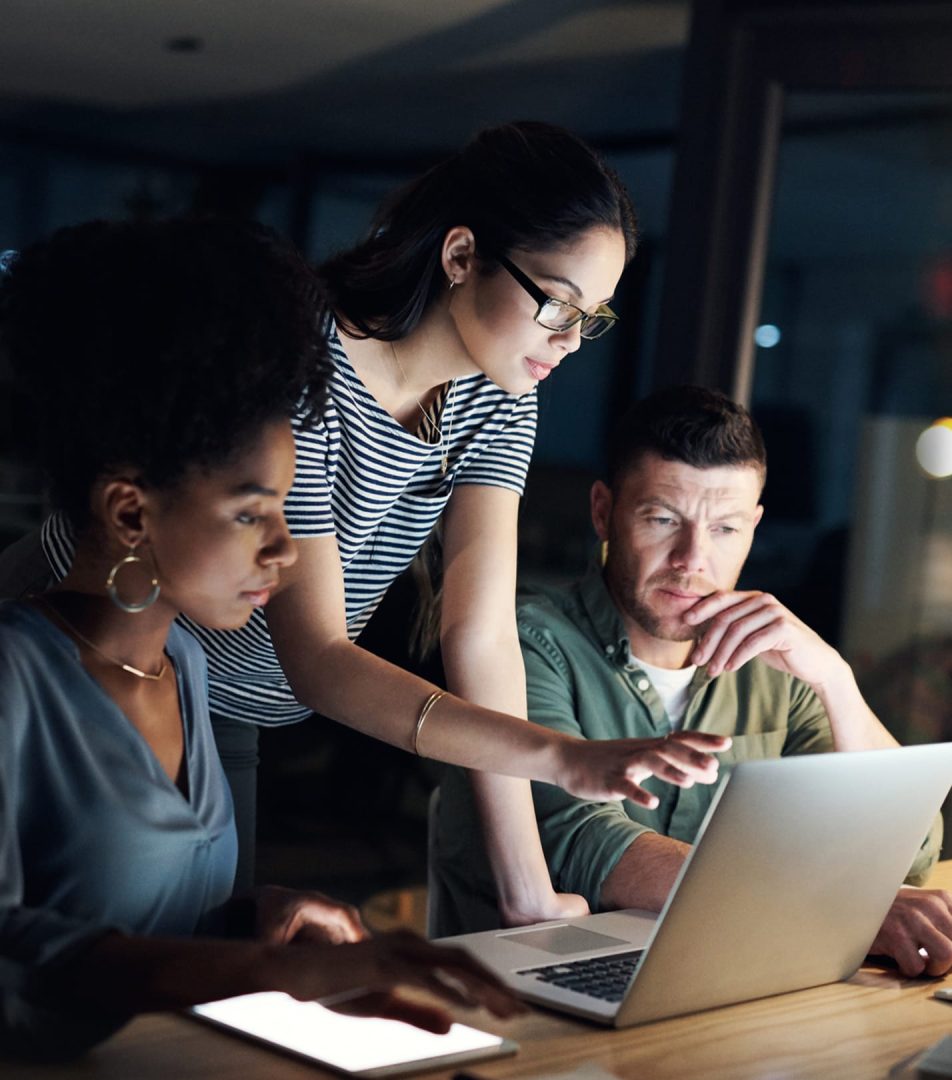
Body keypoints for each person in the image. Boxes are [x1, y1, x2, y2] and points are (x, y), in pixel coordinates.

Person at [6, 121, 730, 914]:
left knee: (198, 943)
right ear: (461, 256)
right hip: (109, 641)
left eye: (593, 319)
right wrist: (561, 757)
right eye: (557, 305)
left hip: (220, 696)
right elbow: (317, 654)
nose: (572, 342)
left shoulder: (499, 396)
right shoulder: (301, 359)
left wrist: (529, 890)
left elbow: (478, 637)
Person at [0, 219, 522, 1058]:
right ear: (130, 511)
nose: (284, 551)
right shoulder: (15, 679)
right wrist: (273, 976)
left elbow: (140, 916)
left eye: (283, 509)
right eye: (251, 514)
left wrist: (260, 920)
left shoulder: (187, 667)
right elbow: (18, 959)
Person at [434, 386, 952, 978]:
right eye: (662, 519)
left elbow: (911, 849)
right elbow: (580, 843)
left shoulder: (777, 665)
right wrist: (832, 905)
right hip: (522, 995)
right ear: (604, 511)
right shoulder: (524, 645)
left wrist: (836, 680)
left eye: (725, 529)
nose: (691, 558)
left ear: (754, 528)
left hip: (718, 977)